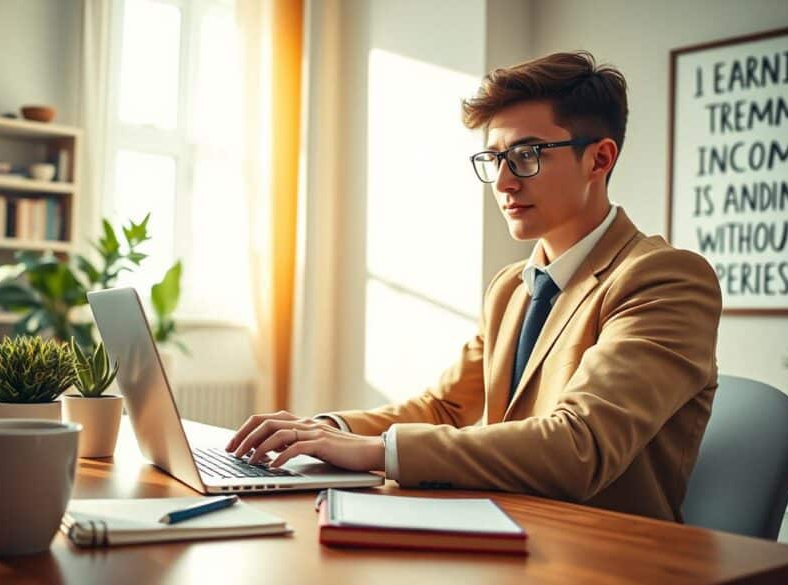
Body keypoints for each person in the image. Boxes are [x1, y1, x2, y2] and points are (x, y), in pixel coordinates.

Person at [226, 51, 722, 522]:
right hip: (508, 527)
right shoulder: (511, 288)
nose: (504, 182)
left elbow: (580, 446)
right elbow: (443, 407)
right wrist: (327, 431)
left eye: (526, 155)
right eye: (495, 158)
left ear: (599, 159)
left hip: (605, 553)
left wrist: (378, 451)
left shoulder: (665, 279)